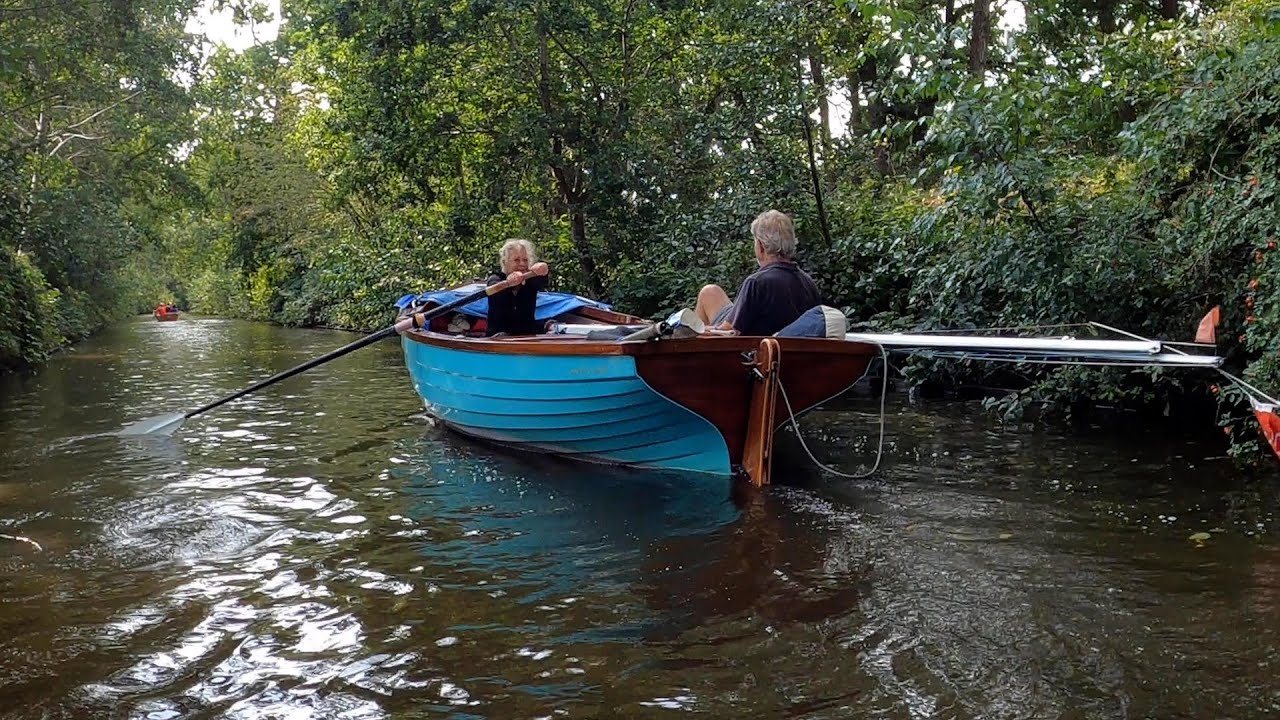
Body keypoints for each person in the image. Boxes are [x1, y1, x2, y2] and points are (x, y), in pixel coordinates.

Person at [694, 209, 822, 337]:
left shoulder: (756, 283)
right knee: (710, 292)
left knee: (695, 320)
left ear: (761, 246)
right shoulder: (808, 284)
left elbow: (728, 333)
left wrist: (695, 330)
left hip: (752, 351)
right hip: (790, 351)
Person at [485, 238, 550, 336]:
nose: (522, 264)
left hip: (527, 338)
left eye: (525, 260)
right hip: (498, 338)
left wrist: (543, 267)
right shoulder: (495, 279)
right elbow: (497, 292)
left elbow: (542, 278)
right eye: (516, 260)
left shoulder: (531, 280)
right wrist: (510, 282)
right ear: (505, 262)